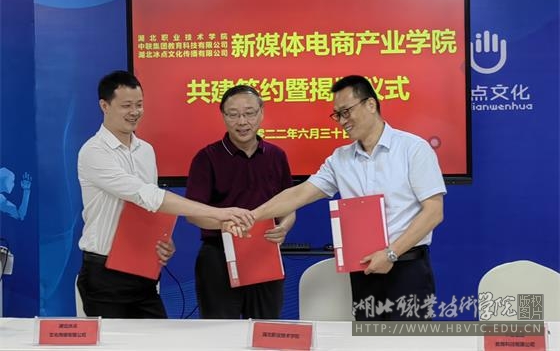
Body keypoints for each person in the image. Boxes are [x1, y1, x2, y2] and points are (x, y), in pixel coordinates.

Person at [251, 75, 446, 321]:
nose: (342, 121)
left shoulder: (413, 149)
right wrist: (252, 216)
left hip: (407, 267)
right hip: (363, 270)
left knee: (409, 339)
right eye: (337, 115)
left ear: (371, 104)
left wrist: (391, 253)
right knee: (366, 339)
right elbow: (300, 193)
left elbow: (433, 212)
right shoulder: (340, 159)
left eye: (346, 112)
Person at [77, 71, 253, 319]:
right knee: (113, 339)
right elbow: (147, 196)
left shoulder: (145, 151)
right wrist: (219, 213)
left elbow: (148, 212)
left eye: (139, 105)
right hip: (105, 274)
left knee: (158, 336)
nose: (135, 112)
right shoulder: (94, 152)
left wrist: (158, 242)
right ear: (104, 106)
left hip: (142, 272)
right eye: (126, 106)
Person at [185, 85, 296, 319]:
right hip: (219, 254)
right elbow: (193, 214)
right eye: (233, 114)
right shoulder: (207, 158)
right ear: (223, 116)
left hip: (265, 252)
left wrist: (284, 227)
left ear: (261, 113)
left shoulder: (276, 156)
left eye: (249, 113)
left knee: (265, 328)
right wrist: (223, 223)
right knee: (219, 331)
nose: (242, 121)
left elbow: (289, 206)